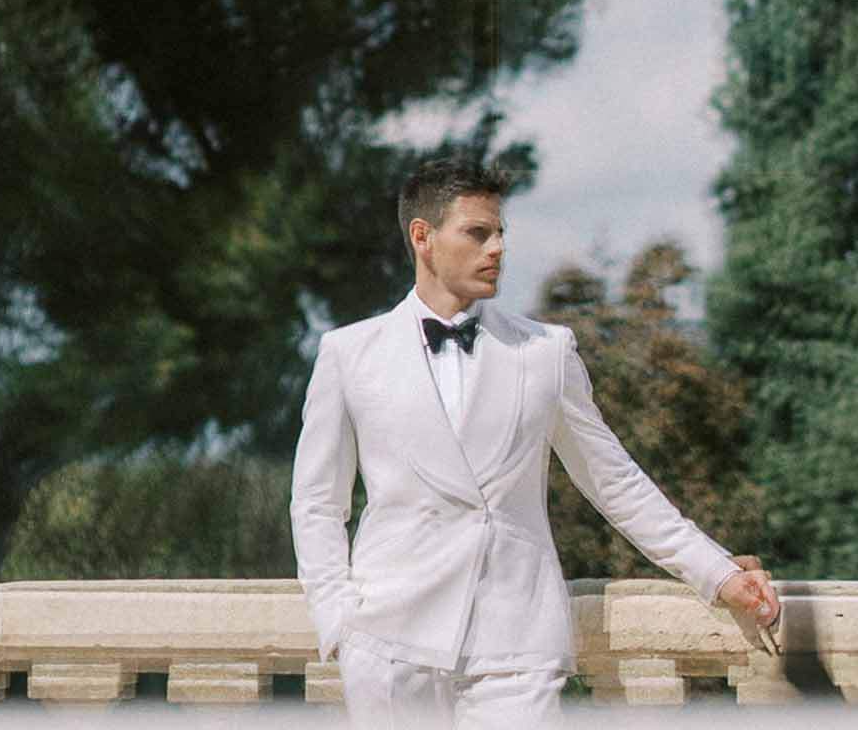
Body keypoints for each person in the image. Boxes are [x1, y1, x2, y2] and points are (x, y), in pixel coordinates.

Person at [290, 155, 780, 724]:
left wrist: (717, 573)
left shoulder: (545, 352)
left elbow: (615, 481)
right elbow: (318, 503)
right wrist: (340, 625)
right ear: (422, 237)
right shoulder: (349, 354)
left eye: (501, 232)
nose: (496, 247)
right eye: (478, 233)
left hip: (516, 644)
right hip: (389, 645)